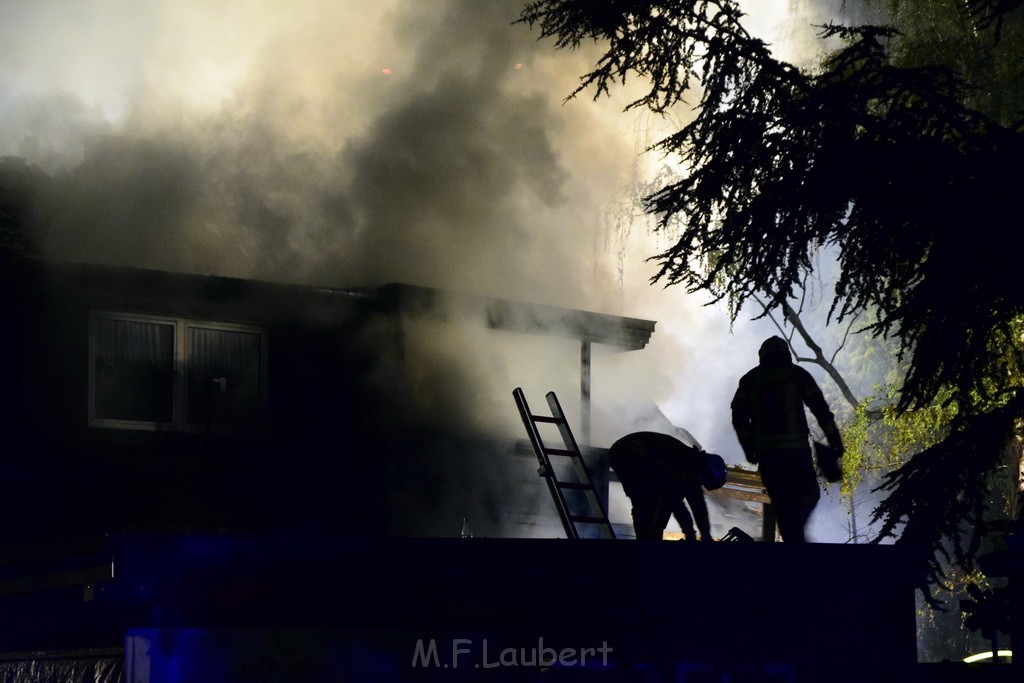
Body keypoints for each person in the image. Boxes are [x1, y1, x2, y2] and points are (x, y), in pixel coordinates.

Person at [730, 335, 844, 543]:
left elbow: (738, 417)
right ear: (786, 354)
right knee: (809, 493)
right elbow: (821, 409)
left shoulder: (750, 380)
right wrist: (834, 439)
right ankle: (796, 539)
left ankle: (793, 543)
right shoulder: (797, 375)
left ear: (762, 356)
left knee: (781, 502)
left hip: (768, 455)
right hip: (796, 452)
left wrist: (749, 447)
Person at [608, 431, 723, 541]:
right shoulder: (683, 461)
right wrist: (690, 532)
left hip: (631, 452)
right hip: (628, 453)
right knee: (648, 498)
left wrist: (705, 534)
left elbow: (698, 506)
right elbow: (674, 500)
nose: (700, 483)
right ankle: (647, 541)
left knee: (657, 499)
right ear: (705, 472)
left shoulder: (692, 467)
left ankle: (650, 539)